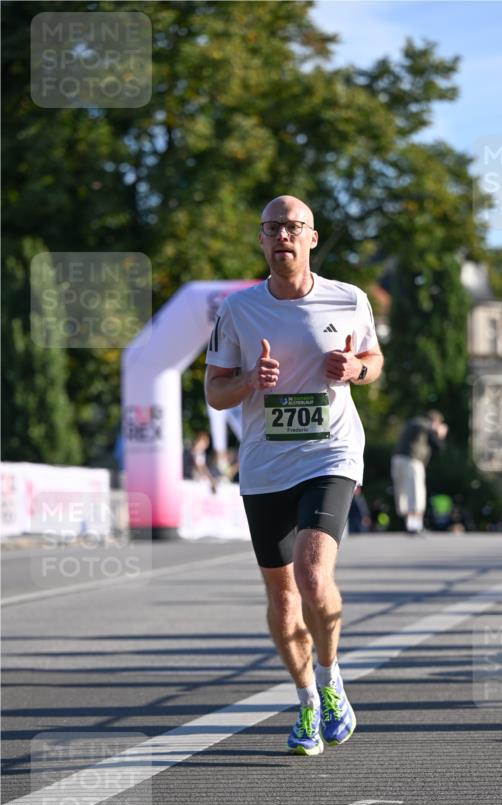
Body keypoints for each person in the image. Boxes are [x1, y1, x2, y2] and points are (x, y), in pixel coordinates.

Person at [205, 195, 383, 755]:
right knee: (283, 600)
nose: (283, 235)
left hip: (330, 453)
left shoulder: (349, 300)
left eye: (293, 227)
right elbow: (215, 392)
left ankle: (331, 681)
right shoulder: (238, 311)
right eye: (272, 228)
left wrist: (356, 369)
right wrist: (250, 381)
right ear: (261, 240)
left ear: (311, 237)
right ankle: (307, 700)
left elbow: (375, 363)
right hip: (265, 466)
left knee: (312, 576)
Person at [391, 411, 448, 533]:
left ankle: (410, 525)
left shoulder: (414, 423)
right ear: (435, 421)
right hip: (412, 461)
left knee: (404, 492)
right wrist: (438, 433)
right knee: (416, 492)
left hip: (398, 460)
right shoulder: (423, 424)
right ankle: (415, 525)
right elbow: (439, 446)